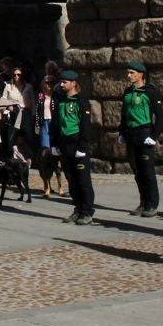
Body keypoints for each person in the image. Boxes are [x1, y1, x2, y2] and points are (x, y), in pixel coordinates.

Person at [50, 69, 94, 224]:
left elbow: (86, 125)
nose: (61, 84)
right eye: (61, 82)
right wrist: (54, 143)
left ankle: (87, 211)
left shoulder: (81, 101)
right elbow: (55, 123)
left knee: (83, 180)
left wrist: (82, 146)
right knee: (71, 179)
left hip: (77, 143)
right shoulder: (60, 100)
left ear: (73, 83)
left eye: (65, 82)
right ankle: (77, 208)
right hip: (64, 143)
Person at [119, 59, 162, 217]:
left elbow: (160, 116)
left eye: (132, 73)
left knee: (147, 171)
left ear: (141, 75)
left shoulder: (150, 92)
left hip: (144, 132)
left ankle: (152, 203)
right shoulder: (127, 92)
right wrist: (121, 132)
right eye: (128, 72)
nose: (128, 75)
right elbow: (124, 114)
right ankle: (143, 202)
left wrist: (154, 136)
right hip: (131, 133)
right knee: (136, 170)